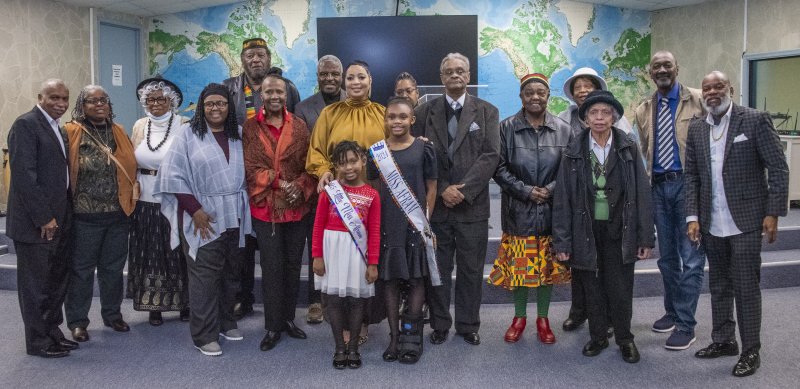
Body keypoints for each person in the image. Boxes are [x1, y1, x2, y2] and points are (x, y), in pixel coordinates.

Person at [685, 71, 788, 377]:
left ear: (730, 88)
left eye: (718, 86)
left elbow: (778, 168)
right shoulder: (697, 128)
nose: (712, 92)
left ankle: (750, 349)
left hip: (745, 220)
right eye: (707, 88)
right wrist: (692, 216)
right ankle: (723, 340)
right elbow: (691, 175)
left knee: (745, 287)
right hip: (711, 221)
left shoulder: (754, 120)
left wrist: (773, 213)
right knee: (718, 285)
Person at [553, 90, 654, 364]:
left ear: (614, 117)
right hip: (585, 229)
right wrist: (561, 243)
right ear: (585, 119)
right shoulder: (573, 150)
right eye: (593, 113)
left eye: (605, 113)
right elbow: (562, 198)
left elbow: (643, 194)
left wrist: (645, 236)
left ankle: (625, 339)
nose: (599, 118)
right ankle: (598, 336)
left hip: (620, 230)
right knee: (592, 288)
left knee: (620, 288)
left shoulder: (628, 147)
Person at [154, 83, 251, 356]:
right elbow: (172, 175)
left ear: (229, 107)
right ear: (202, 107)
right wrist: (194, 209)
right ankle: (204, 334)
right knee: (205, 276)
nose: (216, 108)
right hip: (202, 215)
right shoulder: (188, 135)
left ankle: (225, 321)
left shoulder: (238, 134)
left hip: (235, 213)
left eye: (221, 103)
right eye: (210, 104)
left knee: (231, 273)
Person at [411, 52, 500, 346]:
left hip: (472, 206)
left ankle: (467, 324)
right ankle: (439, 324)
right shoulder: (424, 113)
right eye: (448, 71)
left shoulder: (487, 111)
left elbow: (490, 155)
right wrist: (445, 187)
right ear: (441, 77)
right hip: (437, 206)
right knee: (438, 269)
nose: (454, 75)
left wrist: (461, 190)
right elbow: (417, 155)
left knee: (471, 270)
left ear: (469, 75)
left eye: (460, 71)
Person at [306, 60, 387, 344]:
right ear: (344, 82)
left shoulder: (383, 113)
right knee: (341, 263)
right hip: (338, 195)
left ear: (370, 80)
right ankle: (339, 321)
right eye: (350, 77)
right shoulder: (330, 113)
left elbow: (398, 145)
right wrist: (323, 171)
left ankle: (364, 321)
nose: (355, 82)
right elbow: (316, 150)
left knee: (366, 259)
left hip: (372, 193)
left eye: (361, 77)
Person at [488, 73, 571, 344]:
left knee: (546, 270)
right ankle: (520, 317)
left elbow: (570, 169)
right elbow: (497, 168)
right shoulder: (505, 128)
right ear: (521, 97)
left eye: (541, 92)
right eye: (529, 93)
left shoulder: (563, 128)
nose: (535, 97)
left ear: (548, 96)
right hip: (519, 211)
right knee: (521, 270)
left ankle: (543, 319)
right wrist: (525, 191)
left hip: (551, 212)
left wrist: (551, 189)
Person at [223, 37, 301, 318]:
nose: (255, 59)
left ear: (269, 59)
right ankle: (243, 298)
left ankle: (283, 313)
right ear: (242, 59)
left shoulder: (286, 87)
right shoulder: (228, 87)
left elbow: (295, 127)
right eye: (250, 55)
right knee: (242, 247)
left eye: (260, 55)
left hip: (276, 184)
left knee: (275, 253)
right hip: (239, 177)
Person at [633, 50, 706, 350]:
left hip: (689, 186)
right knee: (666, 259)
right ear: (650, 73)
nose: (662, 69)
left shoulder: (699, 99)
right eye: (656, 66)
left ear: (677, 68)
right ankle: (673, 312)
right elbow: (646, 149)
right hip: (659, 188)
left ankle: (687, 325)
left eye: (667, 65)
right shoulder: (643, 110)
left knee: (691, 258)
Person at [243, 74, 317, 351]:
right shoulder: (250, 128)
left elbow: (309, 164)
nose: (275, 96)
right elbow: (250, 167)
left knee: (293, 266)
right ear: (261, 95)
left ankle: (287, 319)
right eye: (269, 92)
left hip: (297, 207)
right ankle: (272, 326)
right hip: (267, 211)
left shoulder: (299, 126)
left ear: (286, 95)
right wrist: (280, 182)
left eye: (279, 92)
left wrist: (299, 186)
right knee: (272, 268)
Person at [7, 79, 78, 358]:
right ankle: (38, 342)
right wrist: (44, 218)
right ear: (40, 97)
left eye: (65, 98)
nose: (60, 104)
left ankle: (52, 333)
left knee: (55, 283)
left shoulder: (57, 128)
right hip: (36, 224)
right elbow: (25, 177)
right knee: (36, 287)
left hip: (60, 219)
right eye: (54, 98)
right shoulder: (25, 124)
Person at [63, 85, 138, 342]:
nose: (98, 105)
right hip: (84, 217)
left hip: (118, 215)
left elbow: (131, 167)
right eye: (91, 101)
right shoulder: (71, 132)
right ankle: (77, 321)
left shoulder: (119, 131)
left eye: (103, 100)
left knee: (113, 269)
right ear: (81, 106)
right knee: (82, 271)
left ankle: (112, 314)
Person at [367, 97, 437, 364]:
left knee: (418, 280)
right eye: (391, 116)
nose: (396, 121)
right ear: (385, 120)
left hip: (416, 225)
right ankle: (394, 338)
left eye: (402, 117)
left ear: (412, 120)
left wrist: (427, 225)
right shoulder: (376, 152)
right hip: (387, 225)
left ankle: (412, 337)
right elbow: (372, 187)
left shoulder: (424, 149)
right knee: (391, 282)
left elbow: (431, 188)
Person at [559, 67, 627, 336]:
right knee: (581, 266)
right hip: (578, 205)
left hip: (610, 210)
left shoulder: (618, 124)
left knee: (611, 271)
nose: (583, 90)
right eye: (579, 86)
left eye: (589, 85)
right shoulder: (563, 120)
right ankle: (579, 312)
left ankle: (609, 319)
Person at [311, 141, 381, 369]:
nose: (349, 167)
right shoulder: (329, 193)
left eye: (353, 161)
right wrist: (317, 256)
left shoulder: (372, 195)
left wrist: (373, 263)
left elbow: (374, 231)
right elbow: (318, 226)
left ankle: (353, 348)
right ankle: (339, 346)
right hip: (332, 252)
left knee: (357, 301)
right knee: (334, 301)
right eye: (342, 164)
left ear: (362, 160)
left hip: (357, 254)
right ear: (335, 167)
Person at [127, 77, 190, 326]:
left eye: (160, 98)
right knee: (150, 252)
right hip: (144, 198)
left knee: (177, 253)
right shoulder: (140, 125)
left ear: (171, 101)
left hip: (174, 197)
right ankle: (154, 304)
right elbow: (132, 160)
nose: (155, 103)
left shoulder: (184, 125)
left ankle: (184, 303)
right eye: (150, 99)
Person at [294, 54, 345, 324]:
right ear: (317, 77)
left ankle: (344, 297)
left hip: (351, 188)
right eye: (324, 74)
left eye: (334, 74)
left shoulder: (356, 102)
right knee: (317, 246)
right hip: (318, 189)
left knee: (348, 244)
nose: (329, 78)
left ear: (342, 75)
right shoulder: (303, 108)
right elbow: (303, 150)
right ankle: (316, 300)